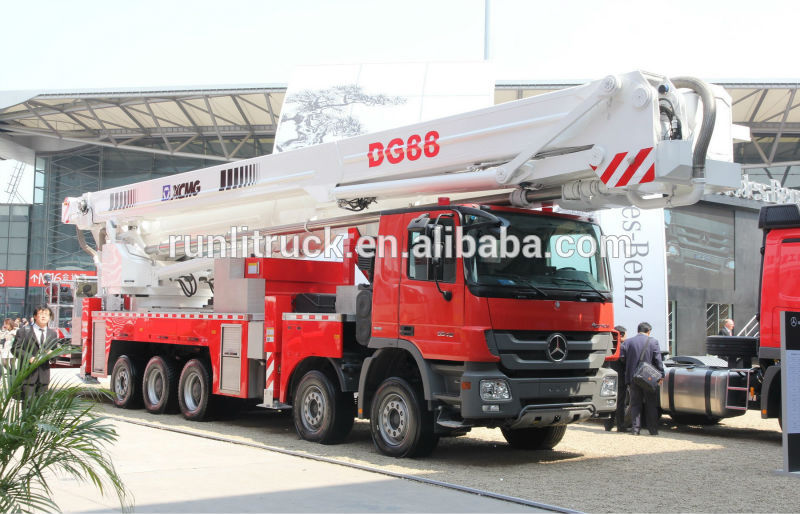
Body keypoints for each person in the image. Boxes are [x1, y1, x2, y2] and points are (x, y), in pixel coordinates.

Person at [620, 322, 664, 435]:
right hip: (649, 378)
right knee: (651, 404)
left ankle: (635, 429)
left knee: (635, 404)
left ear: (638, 330)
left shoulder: (628, 342)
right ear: (648, 331)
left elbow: (622, 358)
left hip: (633, 377)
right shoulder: (653, 342)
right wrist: (661, 375)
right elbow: (658, 360)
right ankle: (653, 430)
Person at [12, 306, 59, 399]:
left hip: (44, 377)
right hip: (27, 376)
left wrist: (52, 354)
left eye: (46, 314)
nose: (44, 316)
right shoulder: (24, 331)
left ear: (49, 317)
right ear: (35, 316)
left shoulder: (52, 333)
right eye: (41, 314)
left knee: (41, 405)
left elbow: (55, 352)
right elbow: (15, 349)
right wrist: (29, 357)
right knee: (28, 404)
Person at [604, 325, 627, 432]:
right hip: (619, 378)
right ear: (621, 335)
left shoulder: (607, 345)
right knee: (620, 403)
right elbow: (623, 362)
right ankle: (620, 426)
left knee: (609, 401)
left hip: (608, 378)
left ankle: (608, 425)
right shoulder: (621, 347)